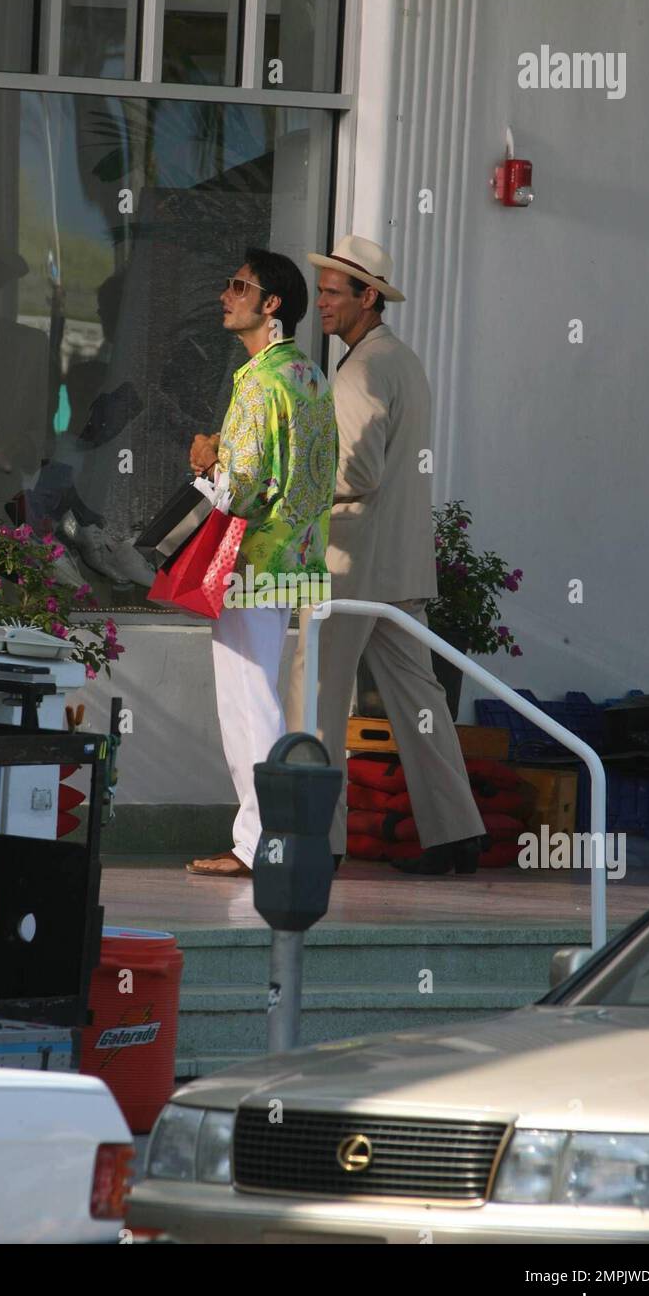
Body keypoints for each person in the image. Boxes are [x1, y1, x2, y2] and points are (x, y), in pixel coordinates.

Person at [286, 234, 486, 876]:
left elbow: (356, 470)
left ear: (368, 298)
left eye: (332, 292)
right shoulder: (403, 360)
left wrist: (288, 479)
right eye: (319, 290)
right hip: (398, 566)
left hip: (352, 568)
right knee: (420, 702)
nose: (321, 302)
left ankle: (319, 841)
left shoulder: (363, 367)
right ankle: (457, 836)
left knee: (314, 692)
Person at [185, 249, 337, 876]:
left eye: (239, 286)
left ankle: (260, 842)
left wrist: (204, 462)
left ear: (270, 304)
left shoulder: (257, 381)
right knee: (262, 696)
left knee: (247, 701)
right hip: (297, 553)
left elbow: (239, 489)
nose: (227, 294)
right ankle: (267, 837)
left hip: (251, 558)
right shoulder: (308, 374)